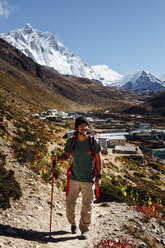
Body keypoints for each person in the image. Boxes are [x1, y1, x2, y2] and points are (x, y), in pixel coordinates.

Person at [51, 116, 102, 239]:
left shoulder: (93, 142)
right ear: (76, 127)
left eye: (85, 125)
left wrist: (99, 177)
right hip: (73, 178)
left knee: (87, 206)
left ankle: (84, 229)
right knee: (69, 205)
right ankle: (72, 224)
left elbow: (99, 161)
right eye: (81, 125)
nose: (84, 128)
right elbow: (66, 156)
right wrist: (57, 158)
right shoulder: (71, 141)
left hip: (88, 180)